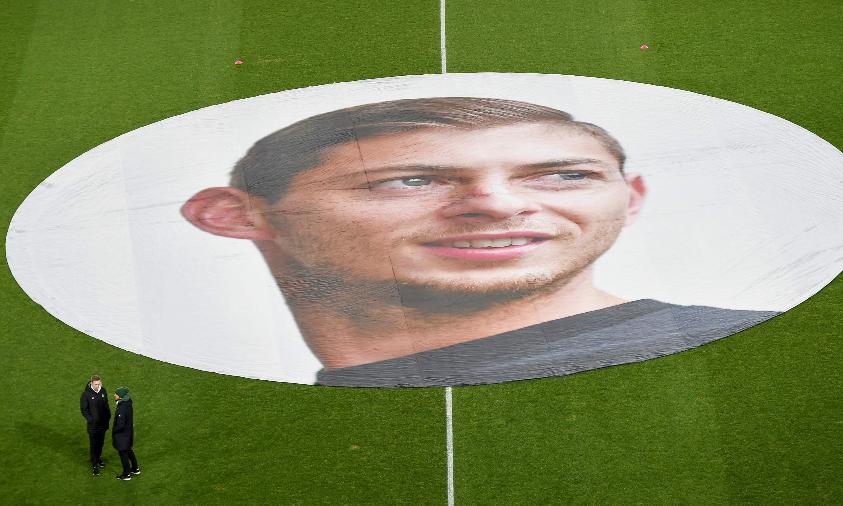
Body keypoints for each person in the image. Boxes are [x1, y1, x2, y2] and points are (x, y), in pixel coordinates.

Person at [182, 97, 779, 387]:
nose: (498, 204)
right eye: (409, 181)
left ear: (632, 198)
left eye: (565, 174)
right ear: (233, 217)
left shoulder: (746, 354)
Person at [80, 375, 111, 475]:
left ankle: (98, 458)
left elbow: (106, 405)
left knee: (100, 443)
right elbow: (84, 409)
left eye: (98, 384)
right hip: (93, 426)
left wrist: (108, 417)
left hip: (103, 424)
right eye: (95, 384)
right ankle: (94, 465)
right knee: (93, 445)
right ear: (91, 383)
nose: (97, 386)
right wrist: (91, 420)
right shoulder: (86, 394)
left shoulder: (103, 391)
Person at [111, 387, 140, 480]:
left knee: (123, 454)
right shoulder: (128, 403)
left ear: (120, 397)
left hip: (122, 436)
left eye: (116, 394)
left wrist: (114, 430)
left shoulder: (122, 408)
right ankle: (135, 469)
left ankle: (126, 474)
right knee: (129, 451)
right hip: (128, 434)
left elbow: (120, 425)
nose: (114, 395)